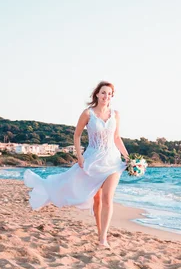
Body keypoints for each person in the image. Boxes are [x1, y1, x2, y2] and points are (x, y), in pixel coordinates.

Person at [24, 81, 130, 248]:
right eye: (103, 93)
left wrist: (128, 157)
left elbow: (117, 138)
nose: (106, 96)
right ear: (97, 94)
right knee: (97, 200)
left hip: (112, 160)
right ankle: (99, 232)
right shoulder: (88, 113)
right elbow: (77, 135)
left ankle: (103, 238)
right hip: (93, 159)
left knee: (107, 197)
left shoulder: (115, 114)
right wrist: (79, 156)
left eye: (109, 94)